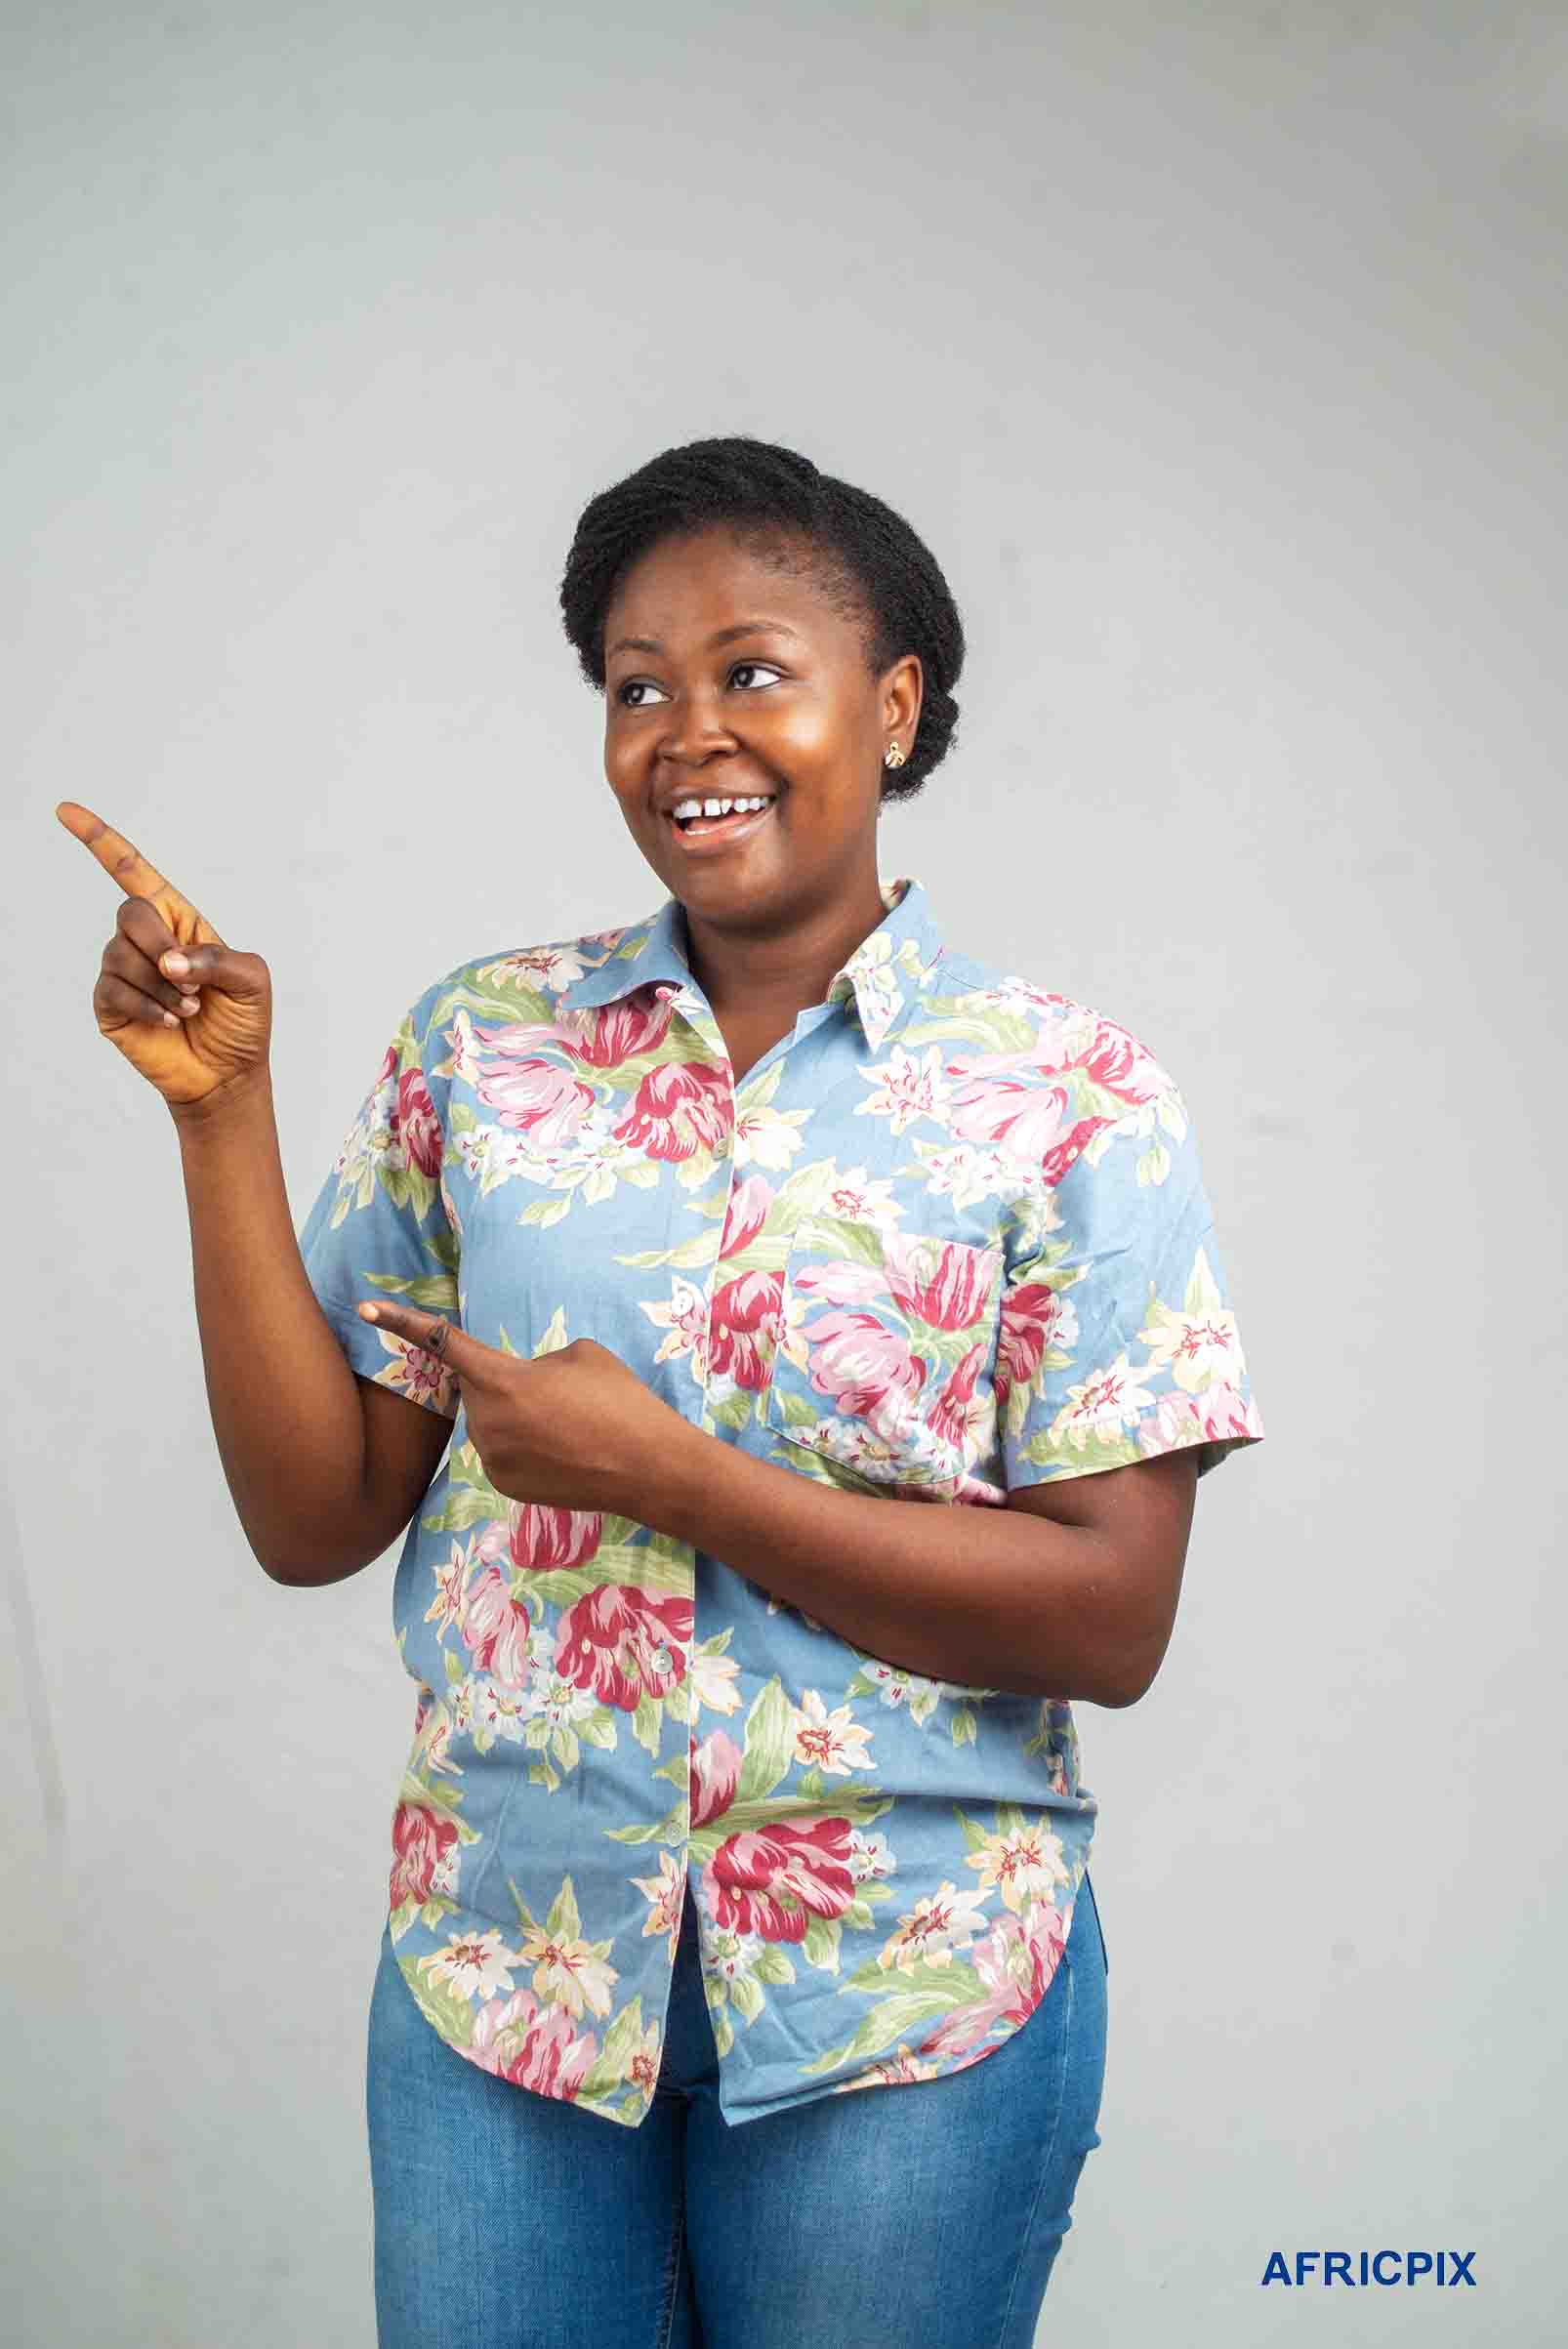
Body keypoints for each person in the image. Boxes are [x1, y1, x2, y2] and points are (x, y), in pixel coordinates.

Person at [60, 433, 1264, 2347]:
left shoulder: (1066, 1093)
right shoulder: (483, 1047)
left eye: (748, 670)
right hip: (506, 1977)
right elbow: (311, 1519)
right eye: (635, 686)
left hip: (904, 2000)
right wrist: (220, 1118)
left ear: (894, 703)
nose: (684, 729)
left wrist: (675, 1479)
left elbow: (1108, 1618)